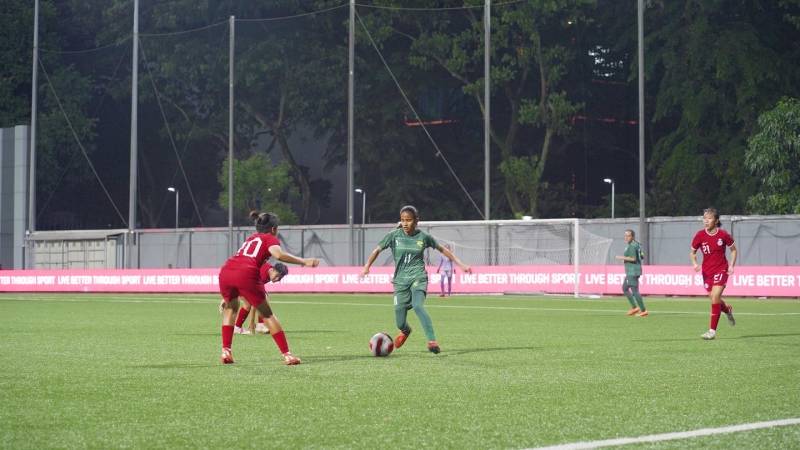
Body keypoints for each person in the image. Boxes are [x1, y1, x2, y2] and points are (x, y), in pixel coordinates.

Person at [361, 205, 471, 354]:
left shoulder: (423, 237)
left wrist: (461, 264)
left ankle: (432, 341)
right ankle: (406, 331)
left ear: (416, 220)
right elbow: (377, 250)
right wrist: (367, 266)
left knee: (418, 305)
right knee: (400, 321)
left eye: (409, 220)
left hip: (418, 277)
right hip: (400, 281)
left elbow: (443, 250)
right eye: (403, 220)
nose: (405, 223)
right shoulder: (394, 235)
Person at [218, 211, 319, 365]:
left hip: (226, 271)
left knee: (231, 309)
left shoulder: (251, 238)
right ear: (273, 229)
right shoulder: (269, 238)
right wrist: (304, 261)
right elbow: (278, 255)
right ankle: (287, 355)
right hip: (246, 273)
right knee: (267, 315)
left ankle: (226, 351)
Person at [690, 207, 737, 340]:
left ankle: (712, 331)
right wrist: (694, 263)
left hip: (721, 269)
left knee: (715, 296)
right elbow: (692, 252)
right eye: (704, 218)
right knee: (714, 298)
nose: (706, 221)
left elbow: (733, 250)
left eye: (709, 218)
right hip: (706, 272)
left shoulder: (723, 235)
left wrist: (732, 265)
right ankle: (727, 310)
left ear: (716, 221)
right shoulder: (699, 235)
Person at [232, 262, 289, 335]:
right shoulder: (263, 276)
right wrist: (252, 322)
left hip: (245, 279)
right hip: (240, 280)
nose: (277, 279)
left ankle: (258, 325)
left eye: (280, 278)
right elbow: (254, 303)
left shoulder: (269, 271)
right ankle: (244, 327)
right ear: (273, 270)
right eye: (277, 276)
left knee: (262, 298)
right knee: (249, 304)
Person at [615, 229, 647, 317]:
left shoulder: (632, 246)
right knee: (625, 288)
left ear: (632, 237)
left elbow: (633, 258)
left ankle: (643, 310)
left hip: (633, 271)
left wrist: (622, 258)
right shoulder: (635, 244)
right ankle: (634, 307)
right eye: (625, 235)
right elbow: (642, 256)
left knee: (635, 291)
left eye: (628, 235)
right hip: (631, 271)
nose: (626, 237)